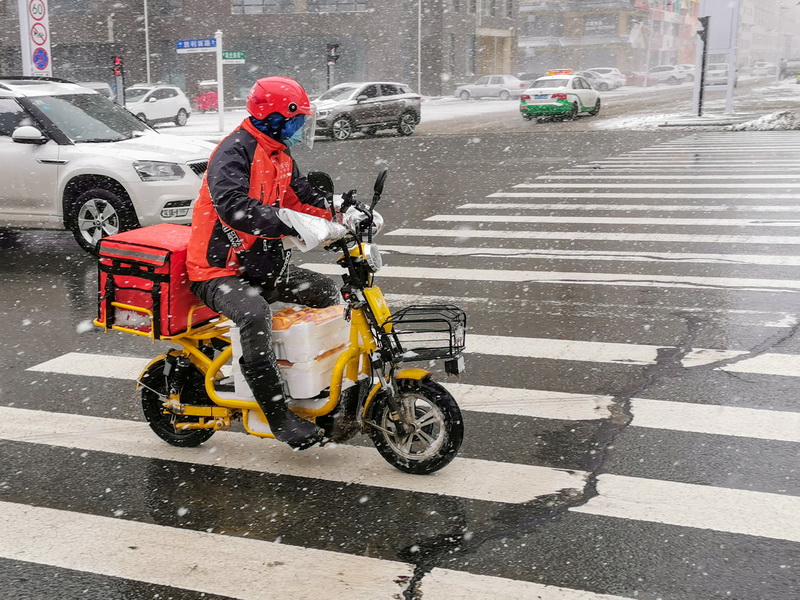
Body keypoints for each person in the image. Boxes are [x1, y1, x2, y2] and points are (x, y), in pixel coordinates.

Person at [186, 76, 339, 451]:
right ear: (272, 117)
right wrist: (286, 221)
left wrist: (343, 213)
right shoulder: (233, 152)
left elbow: (303, 199)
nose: (301, 126)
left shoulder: (280, 153)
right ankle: (279, 416)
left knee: (327, 292)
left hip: (261, 266)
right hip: (216, 270)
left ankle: (318, 382)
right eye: (296, 119)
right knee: (254, 314)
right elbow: (234, 207)